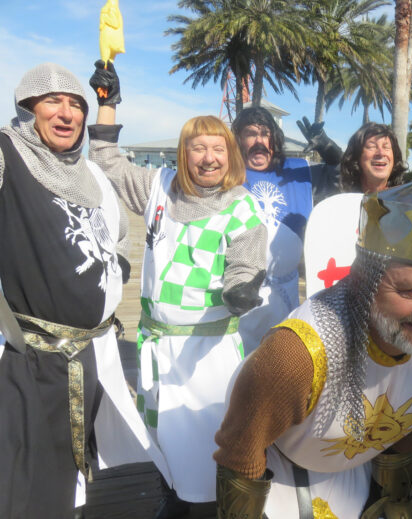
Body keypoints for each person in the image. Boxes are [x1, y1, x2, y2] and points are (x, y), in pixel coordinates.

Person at [213, 179, 412, 518]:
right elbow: (241, 454)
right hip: (279, 469)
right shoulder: (295, 356)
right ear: (361, 282)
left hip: (356, 469)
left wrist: (391, 498)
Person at [88, 61, 267, 517]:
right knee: (165, 443)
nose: (208, 158)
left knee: (210, 454)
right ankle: (174, 499)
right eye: (197, 148)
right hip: (156, 349)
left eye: (217, 149)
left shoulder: (242, 206)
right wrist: (106, 107)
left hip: (207, 356)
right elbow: (107, 163)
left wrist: (241, 288)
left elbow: (246, 261)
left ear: (231, 155)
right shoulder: (158, 187)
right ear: (182, 155)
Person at [0, 62, 170, 519]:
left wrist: (108, 276)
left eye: (76, 103)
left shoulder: (91, 175)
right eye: (53, 100)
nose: (67, 112)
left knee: (76, 470)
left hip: (93, 353)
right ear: (27, 107)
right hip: (33, 359)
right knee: (26, 476)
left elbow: (117, 240)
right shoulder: (8, 154)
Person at [231, 107, 341, 352]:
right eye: (250, 133)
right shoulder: (226, 174)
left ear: (275, 140)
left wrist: (328, 149)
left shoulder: (299, 173)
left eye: (265, 133)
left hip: (285, 297)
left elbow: (341, 176)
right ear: (238, 139)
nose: (259, 140)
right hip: (238, 295)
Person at [339, 121, 406, 193]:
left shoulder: (408, 200)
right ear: (356, 157)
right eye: (372, 146)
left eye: (386, 147)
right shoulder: (342, 201)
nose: (381, 153)